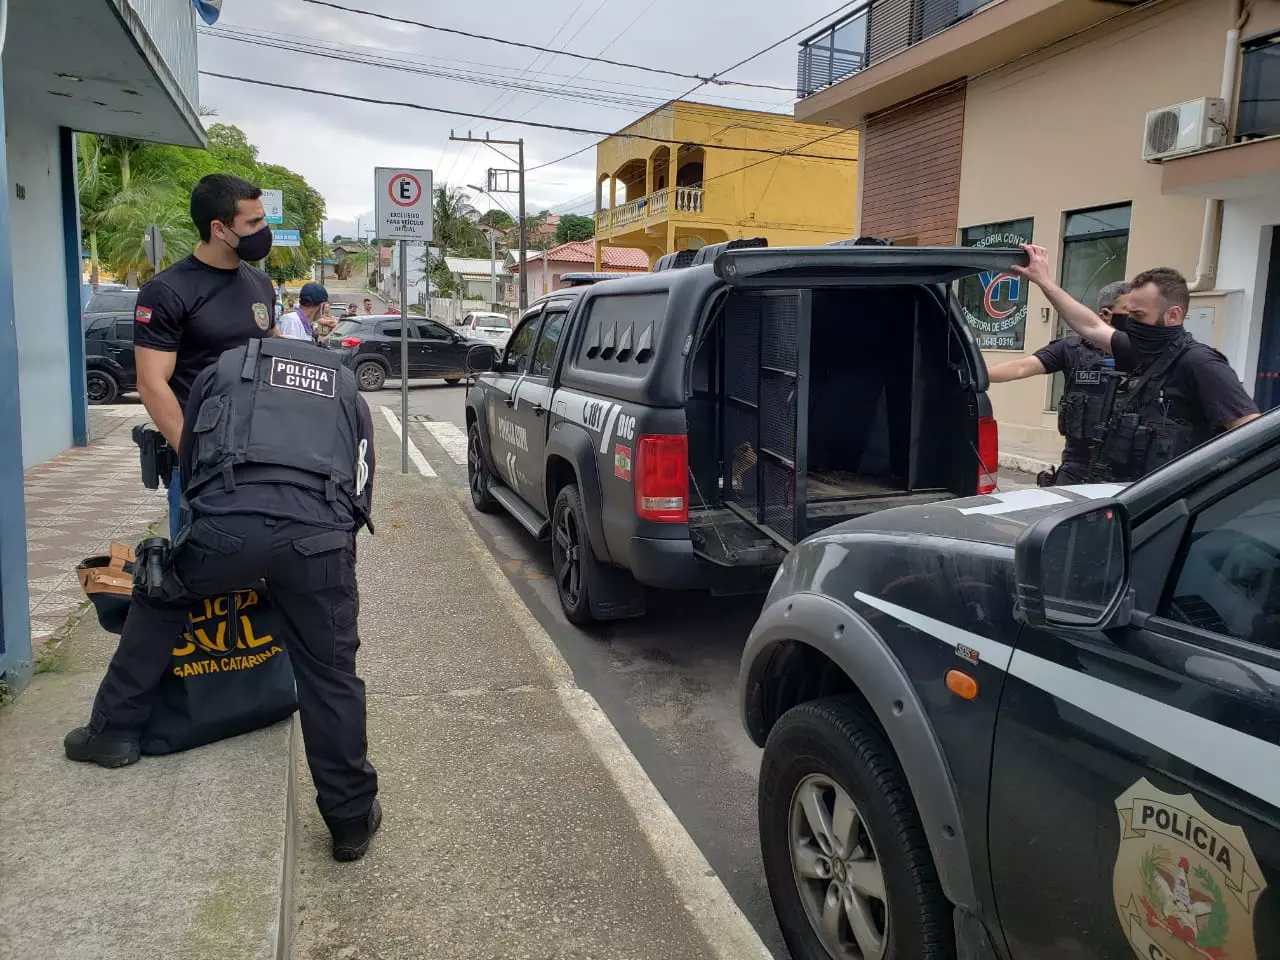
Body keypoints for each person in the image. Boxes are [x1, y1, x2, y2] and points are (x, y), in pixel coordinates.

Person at [64, 336, 382, 862]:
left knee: (161, 594)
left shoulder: (223, 372)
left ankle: (114, 733)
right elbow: (360, 485)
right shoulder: (345, 386)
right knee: (330, 672)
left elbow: (194, 462)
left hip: (226, 529)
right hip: (319, 540)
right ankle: (349, 820)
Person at [1014, 247, 1260, 482]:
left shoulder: (1200, 363)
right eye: (1129, 314)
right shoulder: (1140, 351)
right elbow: (1090, 326)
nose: (1130, 322)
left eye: (1139, 315)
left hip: (1171, 501)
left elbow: (1251, 432)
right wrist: (1043, 281)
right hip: (1133, 492)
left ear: (1173, 315)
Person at [131, 174, 277, 540]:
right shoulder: (167, 291)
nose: (264, 230)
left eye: (264, 220)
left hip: (263, 456)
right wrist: (194, 455)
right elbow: (151, 383)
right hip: (205, 464)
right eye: (254, 222)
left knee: (261, 580)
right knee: (200, 578)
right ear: (219, 228)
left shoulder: (260, 284)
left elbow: (274, 353)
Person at [987, 281, 1131, 485]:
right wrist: (975, 375)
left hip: (1129, 470)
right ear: (1105, 314)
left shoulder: (1142, 350)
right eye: (1129, 310)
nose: (1135, 317)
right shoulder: (1071, 349)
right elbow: (1022, 367)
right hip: (1078, 465)